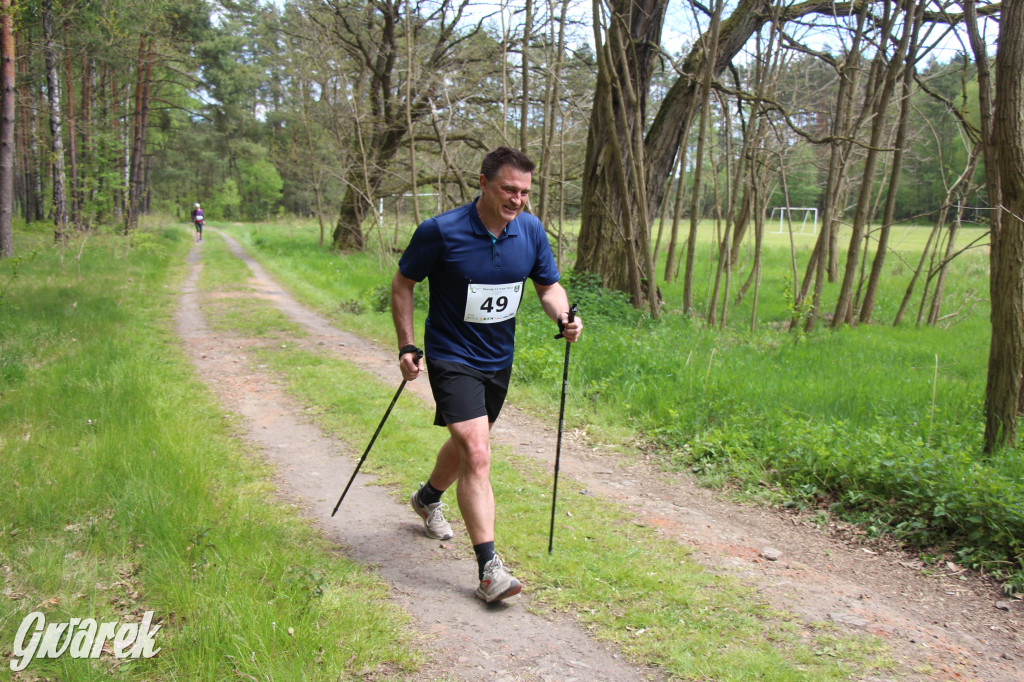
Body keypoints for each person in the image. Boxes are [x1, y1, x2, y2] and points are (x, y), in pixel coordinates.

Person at [391, 146, 582, 603]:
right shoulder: (441, 231)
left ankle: (427, 497)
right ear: (483, 183)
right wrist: (405, 345)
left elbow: (548, 285)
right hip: (451, 354)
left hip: (498, 358)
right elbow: (403, 284)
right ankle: (489, 570)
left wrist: (563, 317)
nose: (517, 200)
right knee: (477, 452)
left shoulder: (530, 230)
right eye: (508, 190)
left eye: (525, 192)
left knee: (467, 445)